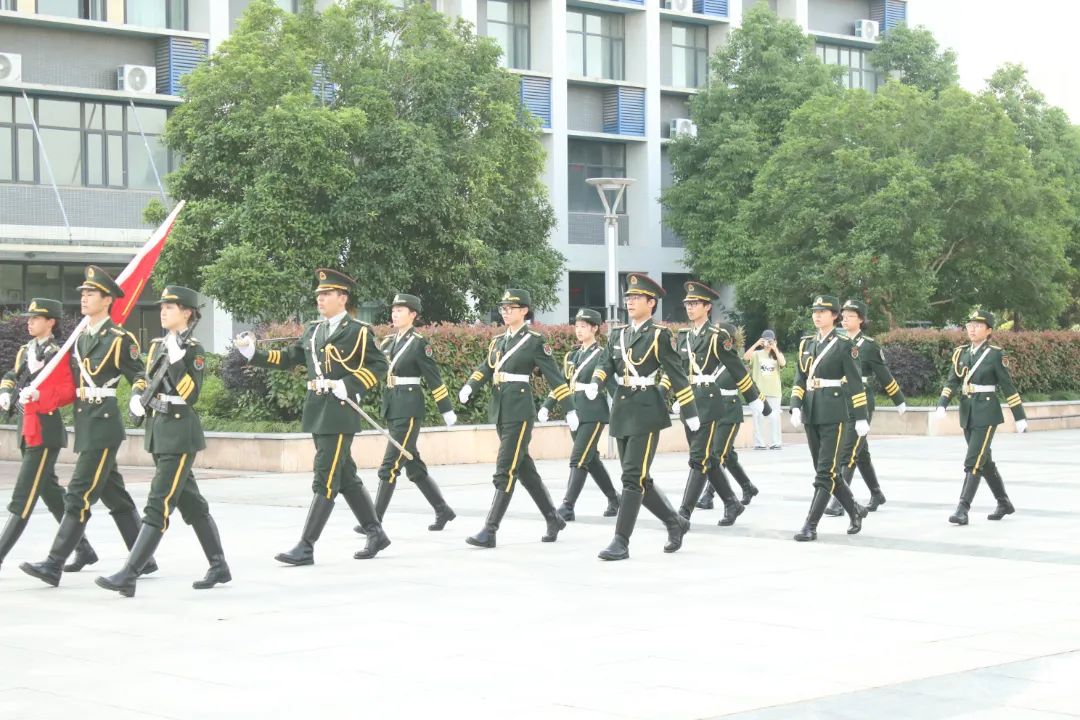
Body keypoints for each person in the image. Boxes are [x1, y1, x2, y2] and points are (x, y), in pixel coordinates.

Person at [235, 268, 391, 564]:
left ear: (342, 298)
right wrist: (253, 354)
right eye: (319, 294)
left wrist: (349, 385)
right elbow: (287, 358)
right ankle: (375, 532)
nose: (320, 299)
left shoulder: (358, 331)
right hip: (318, 409)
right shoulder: (313, 330)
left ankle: (306, 546)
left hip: (341, 411)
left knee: (326, 476)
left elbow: (379, 365)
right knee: (345, 476)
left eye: (327, 294)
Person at [21, 266, 157, 587]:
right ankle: (145, 559)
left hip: (103, 425)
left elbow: (140, 376)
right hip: (86, 423)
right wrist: (40, 391)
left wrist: (137, 397)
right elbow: (71, 385)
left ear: (107, 300)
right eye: (82, 293)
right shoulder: (80, 338)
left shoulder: (119, 339)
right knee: (115, 496)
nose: (83, 298)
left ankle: (53, 564)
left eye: (91, 293)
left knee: (78, 494)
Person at [95, 286, 231, 597]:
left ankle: (130, 573)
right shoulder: (158, 345)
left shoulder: (193, 350)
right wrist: (136, 397)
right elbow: (145, 379)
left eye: (170, 307)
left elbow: (191, 395)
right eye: (162, 307)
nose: (163, 311)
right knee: (192, 504)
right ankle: (219, 565)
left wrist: (179, 362)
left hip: (180, 435)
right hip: (158, 431)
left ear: (187, 313)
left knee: (158, 503)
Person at [586, 272, 698, 561]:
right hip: (622, 409)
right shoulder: (618, 334)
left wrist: (690, 411)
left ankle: (621, 541)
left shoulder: (659, 335)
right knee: (639, 478)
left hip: (647, 410)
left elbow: (676, 374)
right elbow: (605, 363)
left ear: (651, 303)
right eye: (628, 297)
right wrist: (596, 382)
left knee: (631, 477)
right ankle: (675, 523)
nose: (630, 301)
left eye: (636, 297)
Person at [458, 289, 575, 548]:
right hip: (501, 409)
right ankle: (553, 518)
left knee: (505, 468)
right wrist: (470, 386)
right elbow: (487, 367)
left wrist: (569, 408)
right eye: (503, 307)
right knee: (524, 469)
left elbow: (554, 376)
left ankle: (490, 530)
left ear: (524, 311)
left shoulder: (534, 341)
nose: (505, 312)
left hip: (520, 412)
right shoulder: (498, 340)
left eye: (511, 308)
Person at [0, 299, 97, 574]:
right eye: (29, 318)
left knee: (24, 495)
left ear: (51, 322)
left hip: (44, 431)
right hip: (27, 428)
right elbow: (12, 373)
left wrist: (40, 394)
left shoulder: (58, 354)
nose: (29, 322)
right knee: (50, 492)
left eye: (36, 318)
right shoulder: (27, 350)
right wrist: (6, 390)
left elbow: (68, 391)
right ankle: (84, 548)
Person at [669, 282, 769, 527]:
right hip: (690, 401)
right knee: (709, 458)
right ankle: (732, 503)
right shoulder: (684, 336)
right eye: (688, 303)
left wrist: (753, 398)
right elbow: (678, 370)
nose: (690, 307)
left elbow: (736, 368)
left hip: (709, 401)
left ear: (707, 307)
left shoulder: (717, 336)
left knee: (698, 458)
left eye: (695, 303)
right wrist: (675, 397)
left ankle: (683, 514)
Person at [359, 292, 457, 533]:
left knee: (389, 466)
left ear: (413, 315)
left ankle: (374, 521)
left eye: (400, 310)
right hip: (393, 406)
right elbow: (375, 368)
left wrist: (446, 409)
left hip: (409, 409)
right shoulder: (388, 342)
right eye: (393, 310)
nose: (394, 314)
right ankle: (442, 509)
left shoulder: (419, 343)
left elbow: (434, 378)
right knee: (413, 467)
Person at [788, 294, 870, 542]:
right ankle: (855, 509)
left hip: (834, 412)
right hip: (811, 411)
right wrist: (795, 405)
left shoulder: (845, 344)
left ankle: (810, 525)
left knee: (824, 473)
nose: (817, 316)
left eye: (822, 312)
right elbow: (800, 378)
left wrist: (861, 417)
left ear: (834, 316)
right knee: (828, 471)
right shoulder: (806, 343)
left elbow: (855, 383)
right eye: (815, 311)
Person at [936, 309, 1027, 525]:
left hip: (986, 412)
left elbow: (1008, 386)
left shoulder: (995, 355)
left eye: (978, 326)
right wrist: (942, 404)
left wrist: (1019, 416)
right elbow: (952, 381)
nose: (972, 329)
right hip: (967, 411)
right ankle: (1003, 502)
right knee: (984, 461)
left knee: (973, 460)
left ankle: (962, 509)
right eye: (970, 325)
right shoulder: (961, 353)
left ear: (989, 331)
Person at [823, 299, 906, 516]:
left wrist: (898, 399)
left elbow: (884, 375)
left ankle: (839, 502)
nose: (845, 320)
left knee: (848, 452)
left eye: (850, 316)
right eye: (844, 316)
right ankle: (876, 493)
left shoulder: (869, 346)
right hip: (840, 400)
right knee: (861, 453)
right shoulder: (836, 341)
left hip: (861, 402)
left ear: (861, 320)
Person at [539, 308, 620, 521]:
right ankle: (614, 499)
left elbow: (612, 385)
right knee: (590, 459)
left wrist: (623, 409)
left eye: (584, 326)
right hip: (575, 411)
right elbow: (562, 384)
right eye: (577, 326)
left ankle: (568, 505)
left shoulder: (602, 354)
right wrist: (547, 405)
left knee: (578, 457)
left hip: (594, 412)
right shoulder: (572, 355)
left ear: (595, 329)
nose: (579, 330)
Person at [745, 329, 785, 450]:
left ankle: (775, 442)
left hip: (774, 391)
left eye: (770, 340)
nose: (768, 343)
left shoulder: (777, 354)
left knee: (775, 418)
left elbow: (783, 363)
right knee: (758, 417)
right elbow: (745, 357)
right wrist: (756, 344)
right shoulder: (757, 354)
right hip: (759, 391)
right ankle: (759, 443)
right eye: (766, 340)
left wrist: (775, 348)